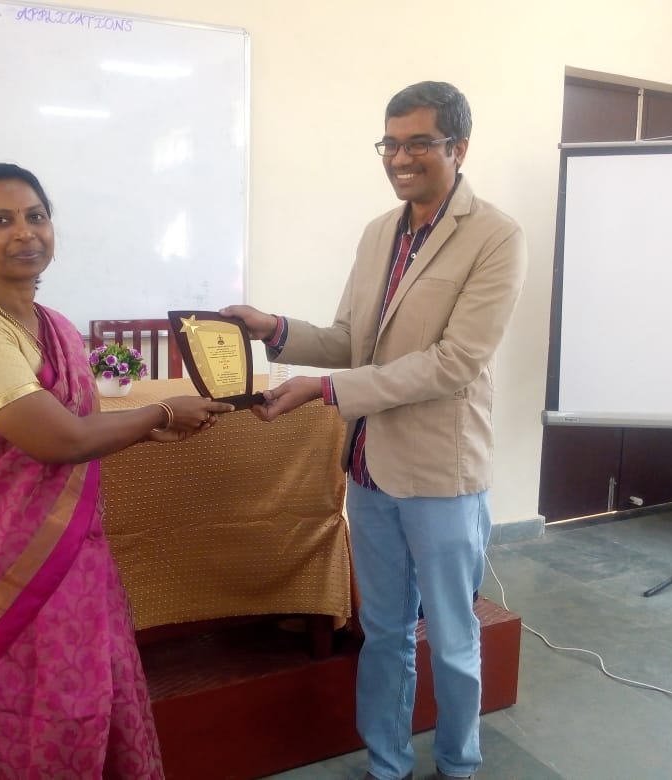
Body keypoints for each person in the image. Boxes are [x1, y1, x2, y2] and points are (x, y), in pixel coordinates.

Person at [223, 82, 527, 780]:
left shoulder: (497, 236)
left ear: (459, 147)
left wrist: (325, 390)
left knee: (452, 638)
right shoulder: (378, 233)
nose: (400, 157)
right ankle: (388, 766)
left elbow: (453, 363)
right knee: (385, 633)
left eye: (419, 142)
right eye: (391, 143)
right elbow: (351, 340)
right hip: (368, 468)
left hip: (441, 475)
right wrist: (276, 329)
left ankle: (457, 763)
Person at [0, 162, 233, 778]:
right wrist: (159, 410)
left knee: (84, 704)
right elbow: (58, 439)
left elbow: (81, 432)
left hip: (72, 562)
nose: (24, 232)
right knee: (9, 720)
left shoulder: (55, 325)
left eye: (36, 215)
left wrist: (153, 427)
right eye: (0, 220)